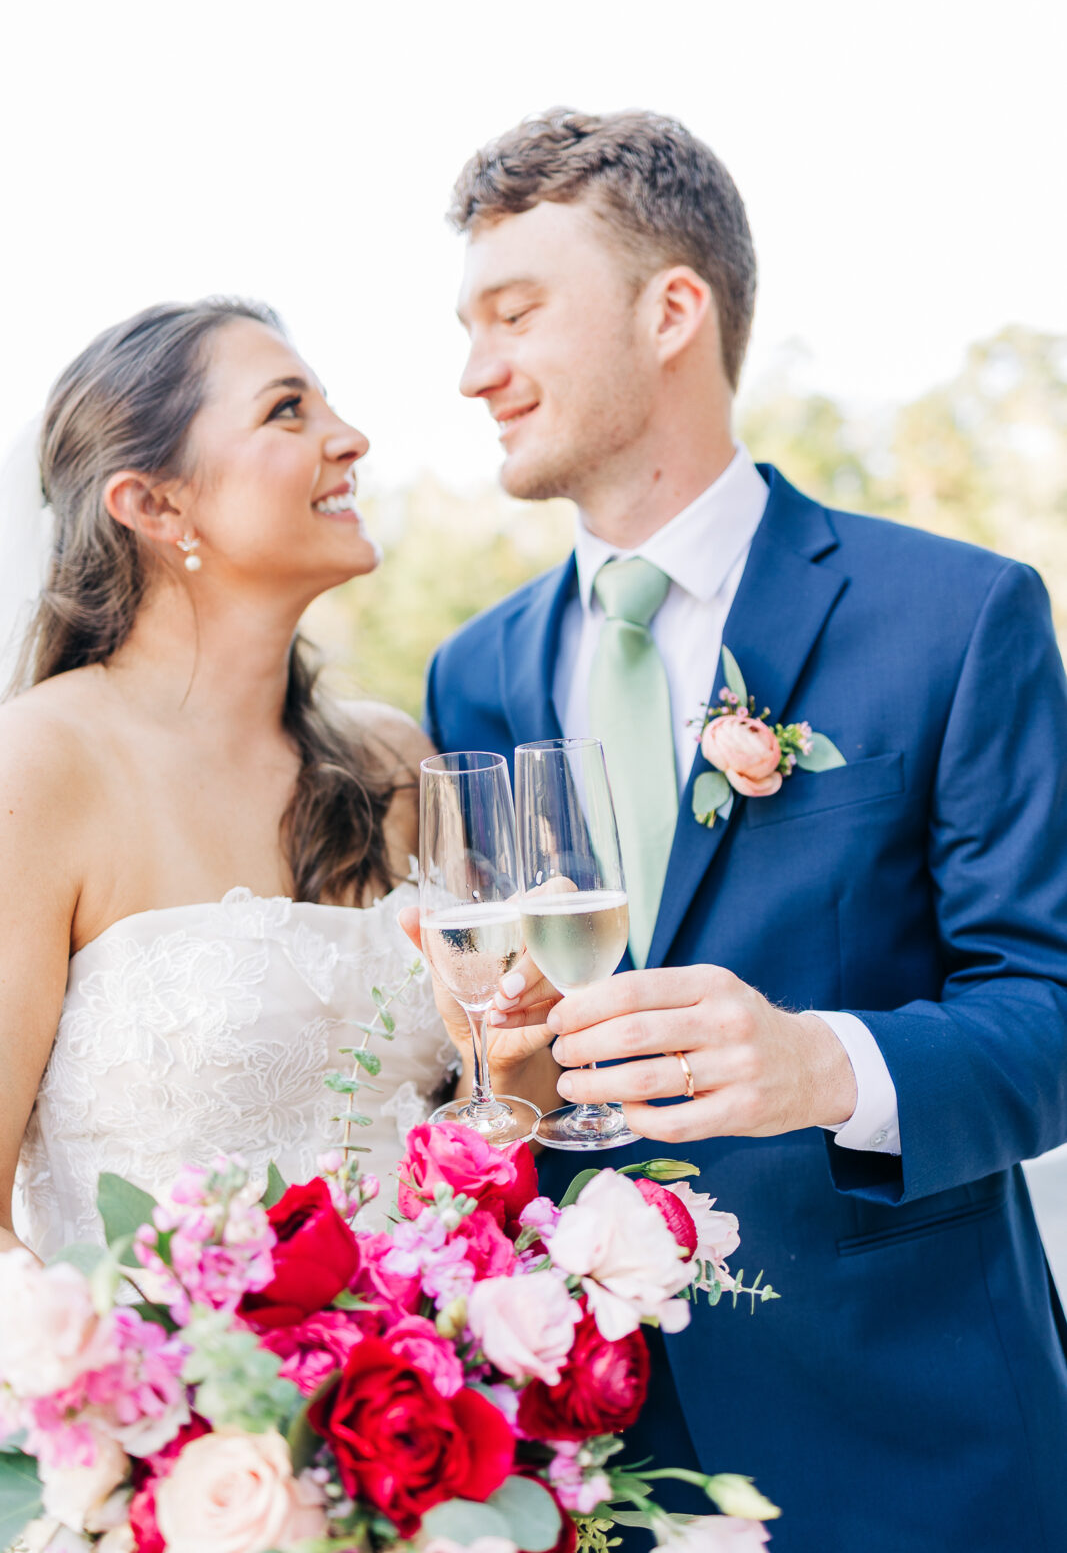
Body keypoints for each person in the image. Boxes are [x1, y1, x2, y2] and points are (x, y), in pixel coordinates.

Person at [425, 109, 1067, 1552]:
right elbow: (513, 1074)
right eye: (465, 326)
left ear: (671, 310)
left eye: (514, 315)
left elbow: (1050, 1010)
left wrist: (818, 1064)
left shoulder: (954, 617)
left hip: (914, 1449)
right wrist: (502, 1062)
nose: (473, 374)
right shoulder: (472, 672)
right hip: (591, 1457)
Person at [0, 298, 556, 1263]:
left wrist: (511, 1062)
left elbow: (494, 1145)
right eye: (287, 411)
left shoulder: (392, 764)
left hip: (409, 1390)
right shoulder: (41, 766)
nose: (350, 438)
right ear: (155, 504)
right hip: (145, 1400)